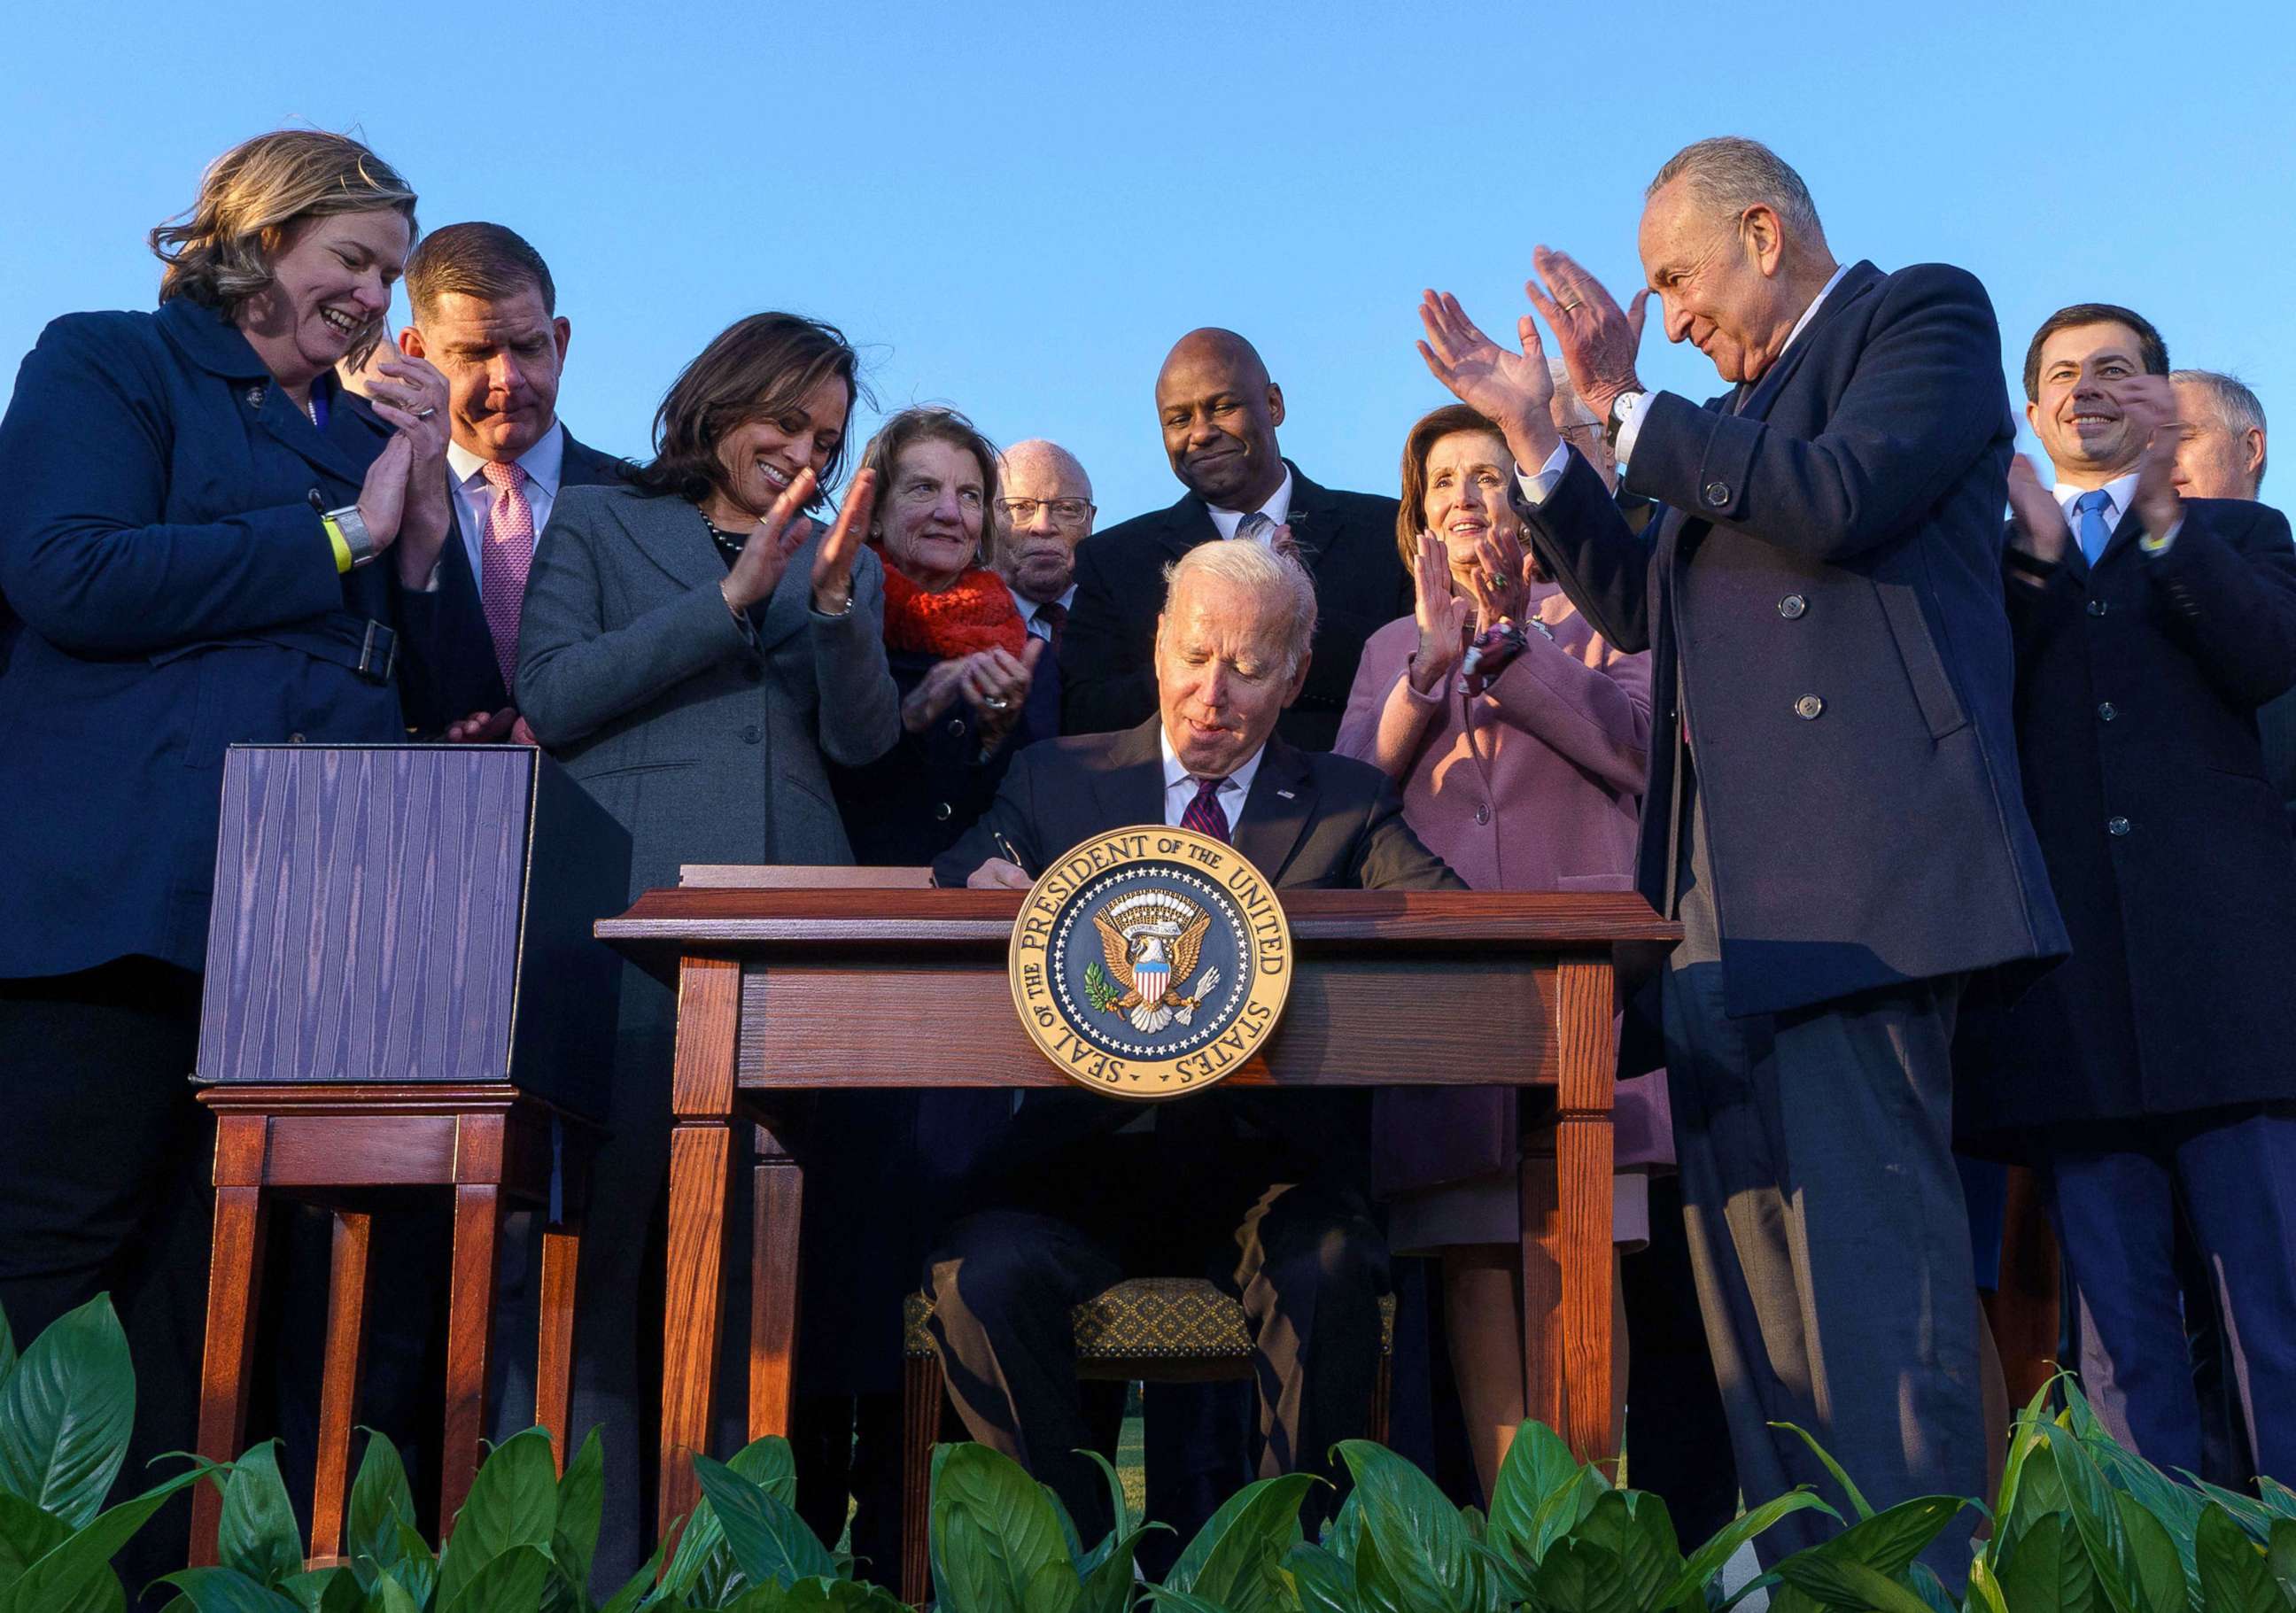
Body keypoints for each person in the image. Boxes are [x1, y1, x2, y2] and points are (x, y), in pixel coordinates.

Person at [1415, 136, 2065, 1579]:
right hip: (1714, 903)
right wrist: (1537, 442)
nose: (1669, 311)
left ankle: (1917, 1589)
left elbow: (1834, 499)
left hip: (1861, 889)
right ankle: (1803, 1584)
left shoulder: (1922, 320)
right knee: (1755, 1314)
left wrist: (1623, 403)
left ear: (1762, 236)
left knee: (1872, 1294)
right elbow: (1640, 605)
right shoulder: (1719, 423)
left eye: (1674, 277)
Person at [0, 128, 447, 1587]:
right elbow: (66, 568)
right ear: (260, 237)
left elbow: (440, 681)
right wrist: (334, 535)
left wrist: (420, 504)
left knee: (213, 1313)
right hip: (115, 903)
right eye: (355, 259)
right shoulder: (109, 361)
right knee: (54, 1270)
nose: (376, 296)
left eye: (390, 272)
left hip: (301, 935)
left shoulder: (365, 436)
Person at [926, 539, 1462, 1547]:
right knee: (976, 1278)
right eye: (1195, 655)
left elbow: (1449, 928)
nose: (1212, 693)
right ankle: (1074, 1576)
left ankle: (1284, 1571)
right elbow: (969, 864)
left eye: (1250, 669)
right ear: (1159, 646)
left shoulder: (1347, 800)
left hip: (1272, 1169)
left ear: (1296, 675)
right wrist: (979, 883)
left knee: (1337, 1264)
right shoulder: (1054, 781)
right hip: (1076, 1166)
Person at [515, 311, 899, 1583]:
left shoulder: (843, 562)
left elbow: (863, 746)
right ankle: (600, 1565)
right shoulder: (602, 520)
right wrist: (730, 600)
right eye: (783, 422)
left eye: (827, 439)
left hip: (788, 937)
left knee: (752, 1275)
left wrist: (836, 608)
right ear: (721, 403)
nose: (801, 453)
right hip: (629, 933)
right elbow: (555, 695)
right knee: (611, 1256)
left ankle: (733, 1571)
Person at [1959, 303, 2296, 1484]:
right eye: (2059, 374)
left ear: (2160, 396)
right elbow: (1976, 710)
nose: (2084, 388)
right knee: (2120, 1340)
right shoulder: (1992, 566)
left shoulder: (2246, 533)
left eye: (2113, 368)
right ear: (2034, 408)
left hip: (2231, 996)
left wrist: (2162, 517)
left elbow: (2265, 656)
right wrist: (2039, 555)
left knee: (2276, 1317)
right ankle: (2157, 1564)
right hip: (2073, 1010)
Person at [1334, 394, 1672, 1505]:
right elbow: (1345, 804)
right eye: (1442, 485)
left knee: (1582, 1246)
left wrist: (1515, 647)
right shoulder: (1389, 641)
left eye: (1488, 476)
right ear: (1415, 518)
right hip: (1448, 985)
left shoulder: (1609, 611)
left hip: (1590, 988)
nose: (1467, 500)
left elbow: (1638, 758)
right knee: (1475, 1256)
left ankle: (1593, 1527)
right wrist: (1430, 674)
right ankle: (1515, 1543)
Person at [1059, 328, 1409, 747]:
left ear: (1274, 404)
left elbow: (1414, 672)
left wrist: (1293, 626)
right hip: (1178, 810)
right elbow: (1083, 714)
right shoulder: (1113, 560)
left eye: (1222, 407)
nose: (1201, 432)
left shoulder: (1386, 531)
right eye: (1179, 419)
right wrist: (1191, 666)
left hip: (1346, 800)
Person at [392, 221, 628, 739]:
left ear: (560, 343)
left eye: (527, 347)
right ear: (415, 354)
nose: (508, 377)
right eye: (475, 353)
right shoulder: (377, 498)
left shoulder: (645, 501)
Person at [828, 407, 1043, 867]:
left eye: (969, 496)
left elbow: (1032, 808)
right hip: (853, 907)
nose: (949, 512)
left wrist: (994, 738)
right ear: (876, 513)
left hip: (978, 912)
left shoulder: (1014, 639)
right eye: (924, 488)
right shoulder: (836, 617)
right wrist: (906, 719)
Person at [996, 437, 1095, 741]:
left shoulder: (1127, 623)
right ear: (986, 519)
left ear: (1090, 521)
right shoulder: (951, 624)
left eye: (1067, 509)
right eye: (1019, 508)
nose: (1042, 525)